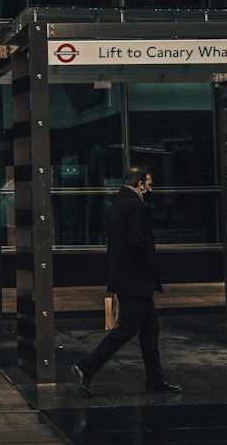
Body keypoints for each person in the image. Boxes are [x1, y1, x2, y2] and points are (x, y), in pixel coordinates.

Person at [72, 165, 181, 396]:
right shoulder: (134, 206)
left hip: (127, 278)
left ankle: (155, 380)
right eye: (148, 185)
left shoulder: (117, 206)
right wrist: (149, 266)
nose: (150, 189)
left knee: (150, 330)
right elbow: (136, 242)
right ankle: (86, 366)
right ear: (140, 184)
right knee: (128, 329)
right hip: (136, 280)